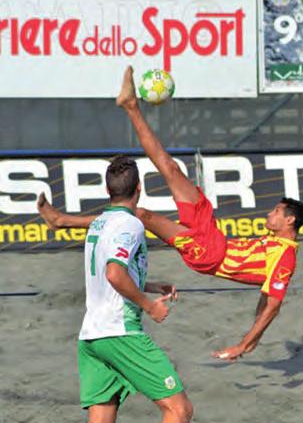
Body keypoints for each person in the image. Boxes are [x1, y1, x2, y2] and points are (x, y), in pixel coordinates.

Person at [38, 66, 303, 362]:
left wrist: (244, 344)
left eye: (277, 212)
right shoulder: (277, 247)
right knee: (170, 168)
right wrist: (253, 336)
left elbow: (272, 305)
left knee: (139, 213)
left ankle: (62, 221)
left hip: (209, 252)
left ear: (290, 221)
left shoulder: (286, 258)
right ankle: (130, 106)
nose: (270, 214)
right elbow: (265, 299)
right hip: (212, 235)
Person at [72, 155, 193, 423]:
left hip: (91, 335)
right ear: (139, 188)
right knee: (179, 409)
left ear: (107, 191)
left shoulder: (99, 222)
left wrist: (148, 285)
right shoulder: (130, 223)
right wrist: (149, 305)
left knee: (102, 414)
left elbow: (109, 273)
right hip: (120, 332)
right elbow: (114, 273)